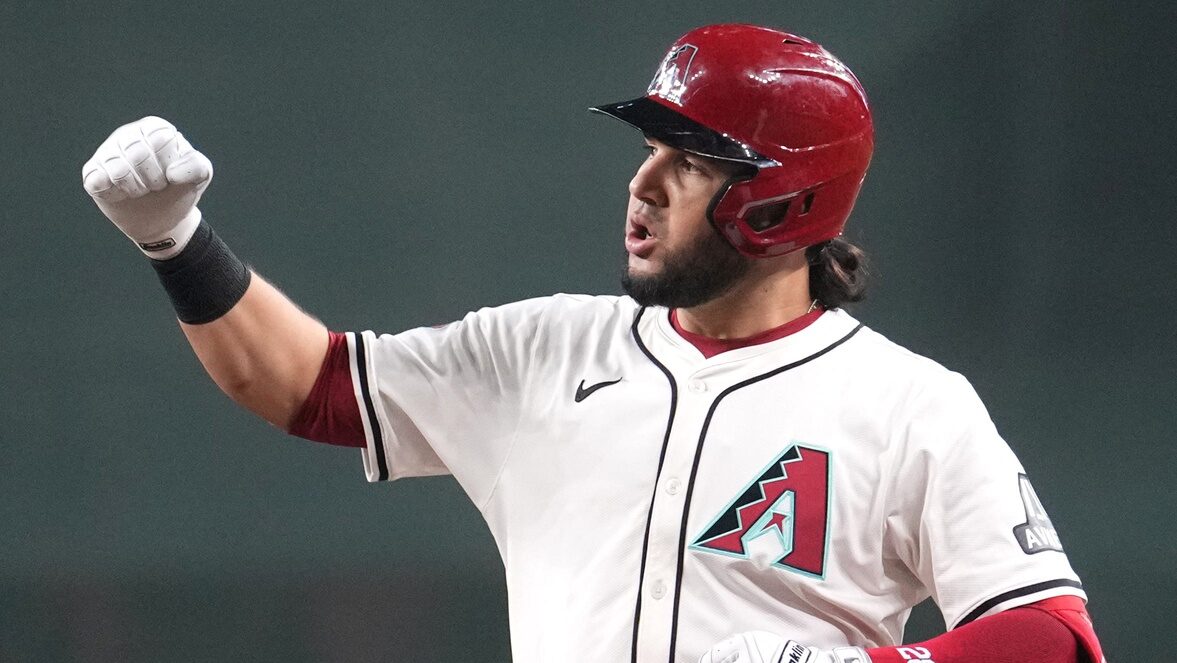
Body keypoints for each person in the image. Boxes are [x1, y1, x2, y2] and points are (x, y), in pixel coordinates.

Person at [82, 23, 1104, 663]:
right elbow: (306, 384)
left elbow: (1051, 640)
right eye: (651, 148)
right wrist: (177, 242)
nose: (644, 182)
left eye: (691, 161)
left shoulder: (910, 406)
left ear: (781, 202)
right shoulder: (543, 351)